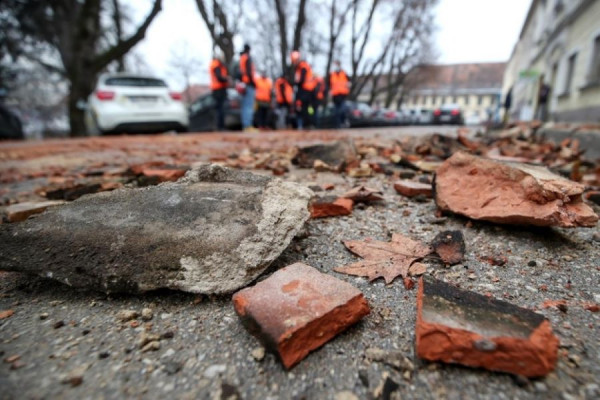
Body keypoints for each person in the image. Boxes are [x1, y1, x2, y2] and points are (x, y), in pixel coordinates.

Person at [290, 50, 316, 130]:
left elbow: (302, 79)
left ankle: (307, 124)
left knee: (304, 107)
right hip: (308, 90)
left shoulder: (303, 66)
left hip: (305, 90)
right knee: (308, 107)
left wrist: (295, 83)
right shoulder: (301, 67)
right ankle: (308, 123)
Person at [239, 44, 257, 132]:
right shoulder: (247, 58)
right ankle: (248, 126)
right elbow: (249, 71)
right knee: (249, 106)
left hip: (244, 84)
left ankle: (245, 125)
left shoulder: (242, 58)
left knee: (245, 105)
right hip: (249, 84)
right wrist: (253, 82)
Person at [209, 51, 229, 131]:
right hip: (218, 89)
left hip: (218, 89)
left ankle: (220, 126)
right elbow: (219, 77)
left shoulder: (219, 65)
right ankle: (220, 127)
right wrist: (227, 79)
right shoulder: (216, 65)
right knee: (220, 108)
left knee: (220, 108)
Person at [329, 60, 350, 128]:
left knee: (342, 110)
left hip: (342, 94)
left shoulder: (344, 73)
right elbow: (329, 84)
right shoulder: (332, 74)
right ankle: (338, 125)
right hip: (335, 95)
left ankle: (343, 121)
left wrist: (347, 87)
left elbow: (349, 82)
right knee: (336, 111)